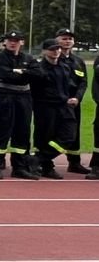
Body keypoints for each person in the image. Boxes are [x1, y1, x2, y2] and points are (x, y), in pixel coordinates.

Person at [0, 30, 38, 179]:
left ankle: (19, 167)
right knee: (2, 131)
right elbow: (3, 74)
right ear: (5, 42)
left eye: (16, 40)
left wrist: (18, 72)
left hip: (24, 98)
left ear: (22, 42)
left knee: (22, 132)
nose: (13, 43)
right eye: (10, 40)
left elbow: (39, 74)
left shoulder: (28, 58)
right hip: (4, 97)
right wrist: (24, 73)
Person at [32, 38, 80, 181]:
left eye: (58, 48)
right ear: (44, 51)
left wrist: (72, 97)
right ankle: (47, 167)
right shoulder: (39, 68)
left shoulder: (64, 67)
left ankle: (37, 159)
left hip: (64, 106)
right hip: (45, 107)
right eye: (52, 49)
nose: (56, 51)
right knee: (46, 137)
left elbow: (69, 86)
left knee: (69, 135)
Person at [52, 29, 86, 174]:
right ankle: (44, 161)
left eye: (70, 39)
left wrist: (77, 98)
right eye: (64, 38)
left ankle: (74, 162)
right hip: (57, 102)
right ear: (57, 40)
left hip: (74, 102)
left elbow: (83, 82)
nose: (67, 41)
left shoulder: (78, 61)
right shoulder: (54, 58)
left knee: (74, 133)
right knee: (53, 131)